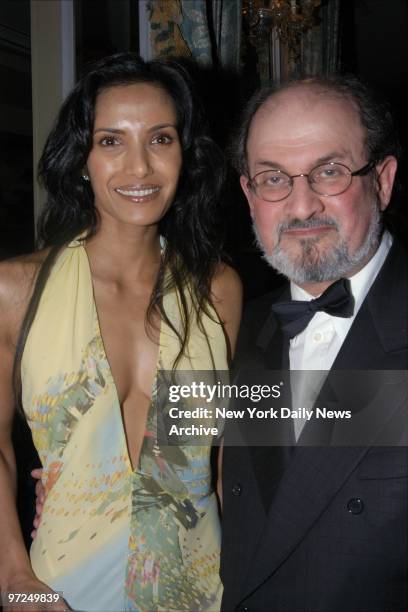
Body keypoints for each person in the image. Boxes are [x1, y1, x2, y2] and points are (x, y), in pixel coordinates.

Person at [0, 53, 242, 611]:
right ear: (82, 158)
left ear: (186, 154)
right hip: (62, 591)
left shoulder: (218, 288)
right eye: (111, 141)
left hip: (202, 589)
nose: (139, 169)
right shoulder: (17, 290)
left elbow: (230, 453)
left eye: (160, 139)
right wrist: (13, 575)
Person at [220, 76, 407, 611]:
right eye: (273, 178)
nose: (301, 208)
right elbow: (170, 479)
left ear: (384, 180)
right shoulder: (225, 333)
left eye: (329, 172)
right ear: (248, 194)